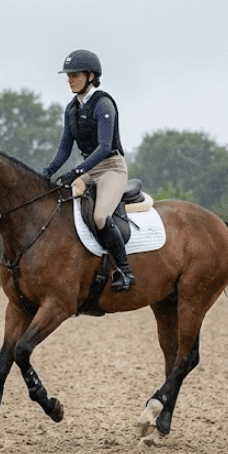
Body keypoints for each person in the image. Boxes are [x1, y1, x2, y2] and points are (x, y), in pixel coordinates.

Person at [42, 49, 134, 292]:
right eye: (68, 75)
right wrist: (47, 172)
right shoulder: (71, 109)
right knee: (60, 208)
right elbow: (64, 149)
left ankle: (124, 271)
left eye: (75, 75)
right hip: (88, 169)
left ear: (91, 76)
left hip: (111, 168)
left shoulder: (103, 104)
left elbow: (104, 147)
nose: (70, 79)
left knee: (100, 216)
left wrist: (75, 172)